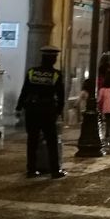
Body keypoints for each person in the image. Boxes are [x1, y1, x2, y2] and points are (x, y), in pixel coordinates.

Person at [17, 46, 66, 179]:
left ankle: (31, 170)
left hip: (32, 110)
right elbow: (61, 95)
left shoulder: (32, 72)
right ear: (53, 59)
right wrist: (59, 111)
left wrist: (19, 107)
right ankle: (55, 170)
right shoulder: (56, 74)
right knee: (51, 141)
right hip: (47, 110)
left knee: (32, 140)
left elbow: (24, 90)